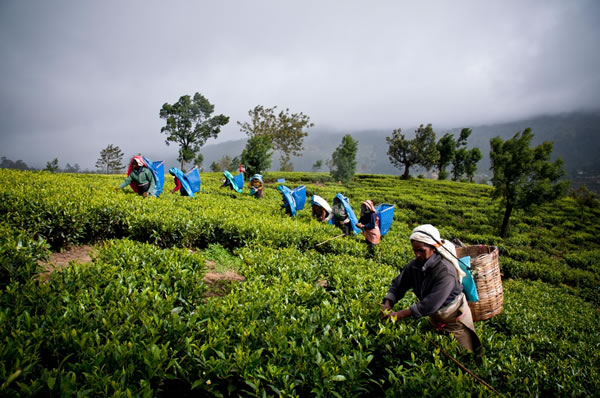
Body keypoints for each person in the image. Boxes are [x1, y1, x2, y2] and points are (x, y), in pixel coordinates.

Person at [381, 224, 482, 357]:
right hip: (435, 317)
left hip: (455, 321)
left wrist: (398, 315)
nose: (417, 255)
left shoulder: (445, 271)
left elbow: (430, 303)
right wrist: (388, 303)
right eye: (415, 250)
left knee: (464, 355)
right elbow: (399, 284)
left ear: (433, 248)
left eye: (421, 250)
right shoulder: (414, 266)